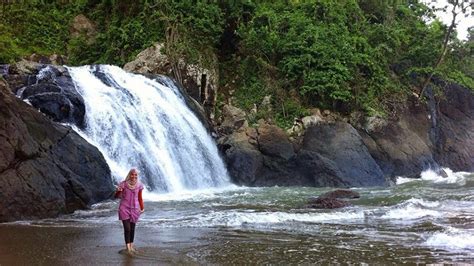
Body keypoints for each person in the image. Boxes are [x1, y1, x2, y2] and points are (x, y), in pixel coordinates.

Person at [115, 168, 145, 254]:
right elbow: (116, 196)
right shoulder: (123, 184)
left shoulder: (139, 185)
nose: (134, 176)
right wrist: (118, 191)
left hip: (135, 209)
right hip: (124, 208)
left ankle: (131, 245)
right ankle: (128, 248)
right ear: (129, 175)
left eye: (135, 175)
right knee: (127, 228)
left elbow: (140, 198)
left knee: (132, 228)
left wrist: (142, 208)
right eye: (132, 174)